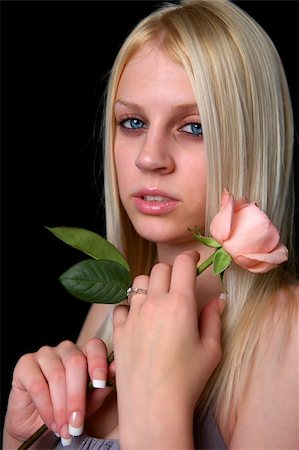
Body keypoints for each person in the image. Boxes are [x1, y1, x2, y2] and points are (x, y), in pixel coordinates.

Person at [3, 0, 298, 448]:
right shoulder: (116, 305)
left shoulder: (288, 334)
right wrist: (21, 437)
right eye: (133, 122)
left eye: (193, 127)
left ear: (249, 140)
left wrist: (159, 402)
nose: (149, 157)